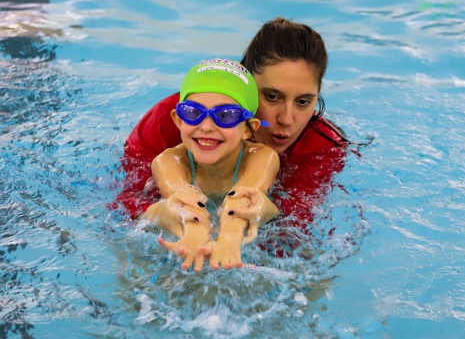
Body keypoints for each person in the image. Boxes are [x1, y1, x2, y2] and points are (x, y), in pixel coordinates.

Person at [115, 17, 348, 257]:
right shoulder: (170, 121)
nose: (287, 119)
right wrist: (156, 214)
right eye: (271, 97)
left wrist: (257, 218)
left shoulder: (321, 145)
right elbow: (125, 204)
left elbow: (296, 231)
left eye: (303, 102)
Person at [140, 58, 280, 271]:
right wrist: (196, 232)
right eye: (193, 112)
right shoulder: (168, 160)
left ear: (248, 129)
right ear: (178, 120)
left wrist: (231, 237)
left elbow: (245, 197)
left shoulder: (262, 157)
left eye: (226, 116)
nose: (206, 126)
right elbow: (184, 200)